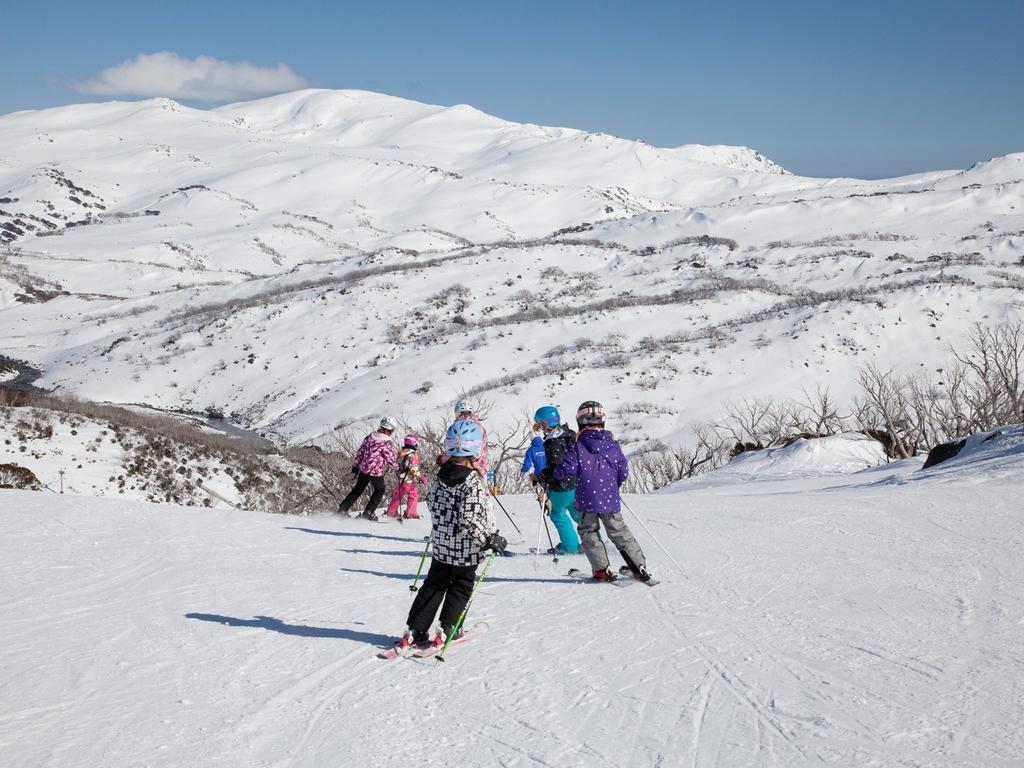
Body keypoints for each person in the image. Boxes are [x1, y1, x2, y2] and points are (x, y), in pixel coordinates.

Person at [393, 419, 507, 651]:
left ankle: (415, 630)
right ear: (476, 448)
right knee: (461, 586)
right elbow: (470, 518)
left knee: (434, 584)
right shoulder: (472, 480)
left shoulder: (441, 474)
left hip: (443, 545)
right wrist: (487, 540)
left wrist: (443, 527)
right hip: (466, 549)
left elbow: (433, 504)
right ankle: (450, 629)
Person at [553, 401, 653, 582]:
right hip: (609, 496)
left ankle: (601, 570)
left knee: (589, 532)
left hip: (586, 499)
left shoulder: (576, 444)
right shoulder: (613, 444)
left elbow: (566, 470)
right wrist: (613, 485)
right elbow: (622, 471)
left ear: (580, 421)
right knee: (619, 532)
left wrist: (553, 473)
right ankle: (639, 566)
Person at [534, 405, 581, 555]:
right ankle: (594, 542)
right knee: (577, 513)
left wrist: (540, 476)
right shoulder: (568, 434)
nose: (539, 426)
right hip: (576, 482)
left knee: (557, 512)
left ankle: (570, 546)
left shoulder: (553, 441)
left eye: (540, 422)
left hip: (562, 485)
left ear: (545, 423)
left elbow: (556, 467)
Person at [338, 417, 399, 521]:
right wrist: (397, 467)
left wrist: (355, 466)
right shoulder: (386, 442)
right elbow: (390, 459)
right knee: (380, 490)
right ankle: (368, 513)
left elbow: (360, 452)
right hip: (375, 471)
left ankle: (342, 510)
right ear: (390, 429)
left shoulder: (370, 436)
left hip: (364, 469)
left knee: (358, 489)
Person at [437, 398, 488, 475]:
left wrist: (441, 459)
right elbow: (484, 449)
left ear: (457, 412)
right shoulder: (480, 427)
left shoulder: (457, 427)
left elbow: (455, 449)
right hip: (479, 468)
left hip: (460, 467)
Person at [386, 434, 427, 519]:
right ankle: (411, 513)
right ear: (414, 443)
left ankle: (391, 512)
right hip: (408, 479)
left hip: (399, 478)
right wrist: (421, 477)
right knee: (413, 494)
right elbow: (413, 468)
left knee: (398, 495)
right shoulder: (412, 454)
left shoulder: (401, 452)